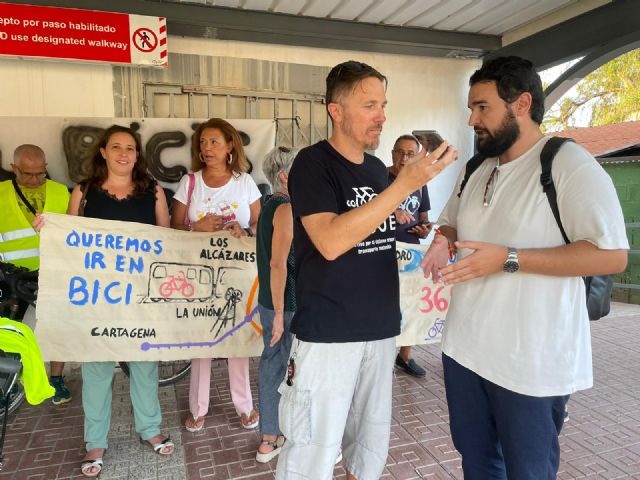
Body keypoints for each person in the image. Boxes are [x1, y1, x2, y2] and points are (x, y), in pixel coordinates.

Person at [421, 56, 629, 479]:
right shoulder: (476, 167)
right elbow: (452, 221)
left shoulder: (566, 163)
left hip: (531, 360)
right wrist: (443, 239)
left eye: (482, 107)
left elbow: (611, 255)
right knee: (478, 463)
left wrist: (509, 258)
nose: (472, 119)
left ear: (521, 104)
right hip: (465, 350)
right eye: (471, 108)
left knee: (528, 471)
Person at [277, 60, 457, 480]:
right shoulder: (312, 164)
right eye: (370, 105)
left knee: (368, 450)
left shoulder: (377, 170)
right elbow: (330, 241)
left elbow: (373, 230)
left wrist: (426, 228)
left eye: (383, 105)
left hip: (379, 330)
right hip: (328, 334)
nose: (382, 116)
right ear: (336, 111)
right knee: (311, 455)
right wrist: (403, 186)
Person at [65, 125, 174, 477]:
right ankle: (95, 442)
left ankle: (150, 428)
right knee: (96, 369)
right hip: (97, 298)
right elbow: (69, 239)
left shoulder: (153, 191)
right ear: (103, 152)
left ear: (137, 154)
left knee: (145, 365)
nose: (124, 154)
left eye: (130, 148)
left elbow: (167, 240)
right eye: (116, 147)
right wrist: (48, 230)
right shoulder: (84, 191)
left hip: (141, 296)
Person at [171, 118, 261, 433]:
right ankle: (198, 408)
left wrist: (244, 229)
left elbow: (261, 225)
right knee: (203, 340)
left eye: (214, 142)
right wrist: (196, 227)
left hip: (238, 274)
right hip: (199, 274)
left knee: (237, 338)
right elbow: (173, 227)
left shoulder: (244, 182)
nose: (207, 148)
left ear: (230, 146)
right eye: (203, 142)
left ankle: (244, 405)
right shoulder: (190, 182)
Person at [0, 144, 72, 405]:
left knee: (59, 328)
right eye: (27, 174)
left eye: (40, 173)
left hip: (53, 273)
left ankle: (56, 379)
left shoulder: (61, 192)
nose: (34, 179)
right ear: (14, 168)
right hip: (12, 278)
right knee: (13, 334)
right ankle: (11, 383)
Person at [255, 146, 297, 463]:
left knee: (273, 363)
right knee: (286, 366)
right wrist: (282, 313)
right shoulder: (285, 209)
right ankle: (275, 436)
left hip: (273, 301)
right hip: (286, 302)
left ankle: (270, 437)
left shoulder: (270, 204)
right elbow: (278, 264)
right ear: (284, 176)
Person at [388, 134, 432, 378]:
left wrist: (425, 229)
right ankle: (384, 354)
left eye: (410, 154)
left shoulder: (420, 182)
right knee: (388, 302)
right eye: (400, 152)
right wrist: (391, 211)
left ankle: (405, 356)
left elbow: (423, 216)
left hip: (411, 251)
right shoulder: (380, 178)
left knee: (411, 302)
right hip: (384, 250)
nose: (404, 158)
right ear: (392, 153)